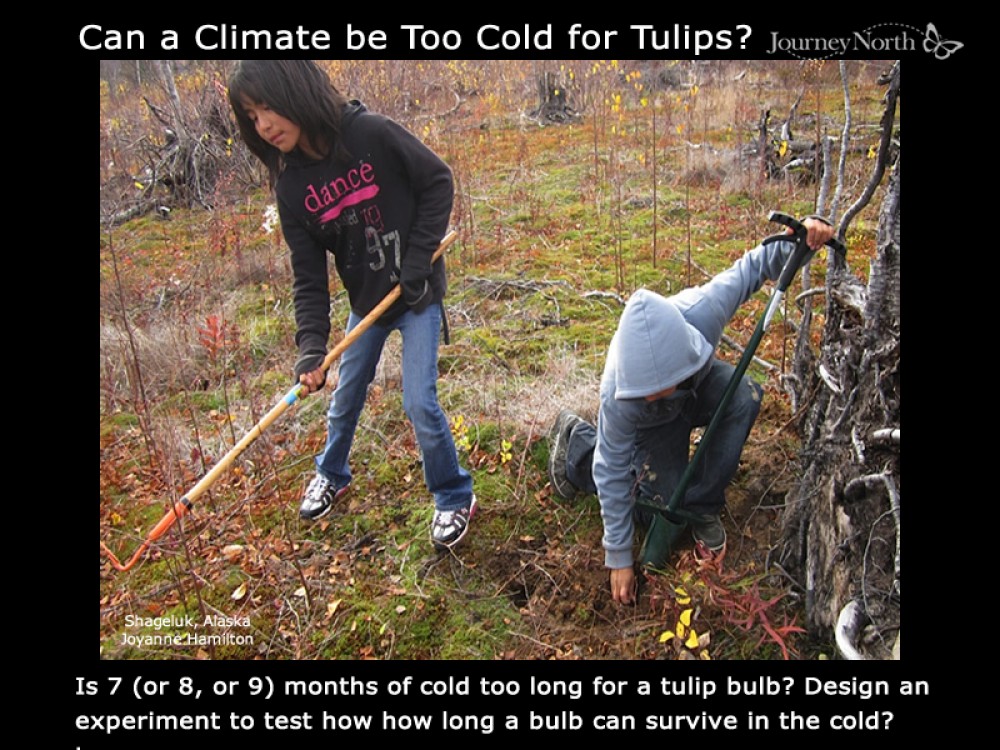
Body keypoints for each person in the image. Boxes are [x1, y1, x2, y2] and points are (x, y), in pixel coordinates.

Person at [228, 60, 476, 549]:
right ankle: (332, 472)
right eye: (252, 117)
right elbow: (309, 279)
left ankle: (453, 496)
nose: (264, 125)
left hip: (415, 295)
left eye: (268, 108)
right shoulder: (291, 190)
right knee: (345, 399)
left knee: (419, 402)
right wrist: (311, 349)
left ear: (294, 91)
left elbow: (437, 182)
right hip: (367, 304)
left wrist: (418, 260)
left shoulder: (371, 134)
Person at [547, 218, 835, 603]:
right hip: (651, 429)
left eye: (656, 387)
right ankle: (576, 444)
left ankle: (702, 505)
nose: (650, 394)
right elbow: (611, 467)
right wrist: (618, 555)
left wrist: (801, 242)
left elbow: (750, 269)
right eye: (644, 390)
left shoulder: (702, 311)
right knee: (657, 511)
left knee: (744, 396)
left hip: (697, 385)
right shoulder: (621, 393)